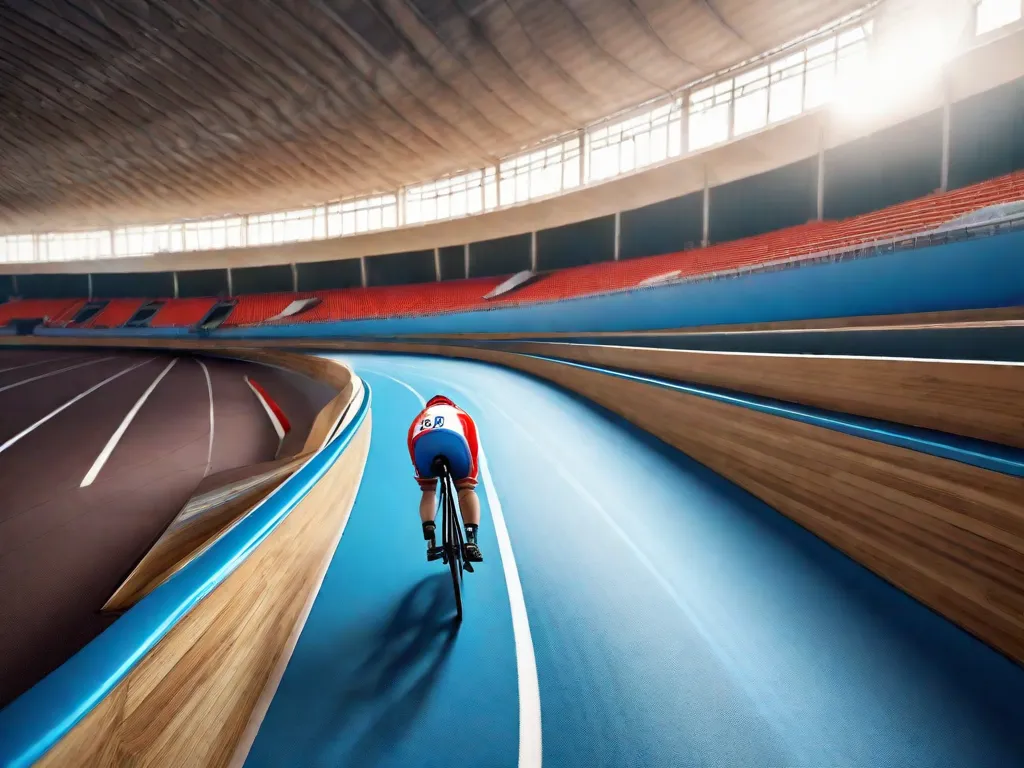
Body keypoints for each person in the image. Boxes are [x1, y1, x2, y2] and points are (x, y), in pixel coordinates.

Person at [407, 394, 484, 565]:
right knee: (466, 488)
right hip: (455, 441)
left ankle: (429, 527)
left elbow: (411, 443)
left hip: (423, 444)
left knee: (428, 489)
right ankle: (471, 540)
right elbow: (473, 444)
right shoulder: (461, 413)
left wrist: (423, 477)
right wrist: (469, 479)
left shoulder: (421, 416)